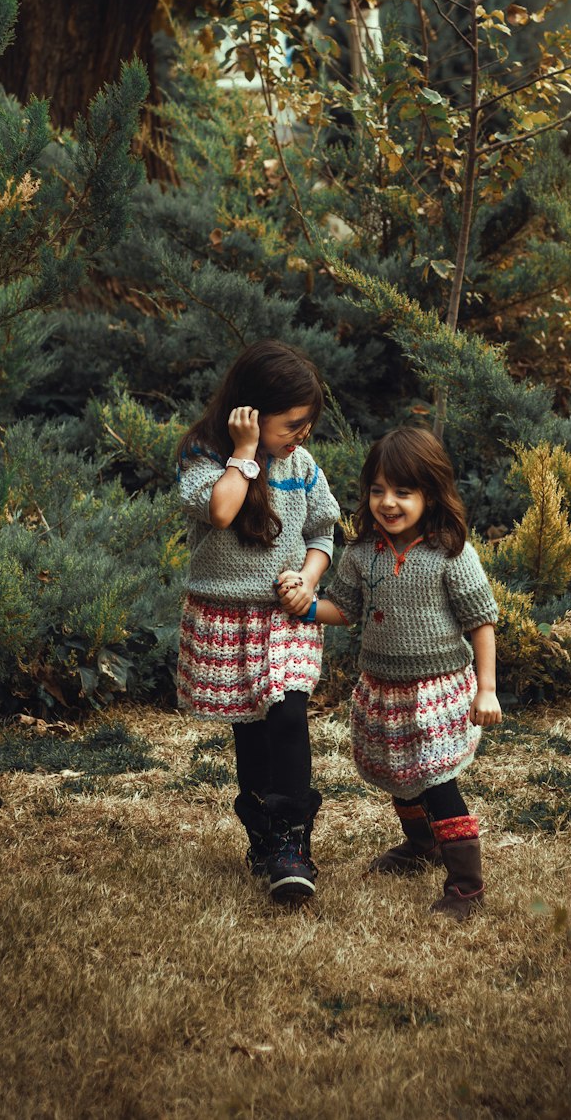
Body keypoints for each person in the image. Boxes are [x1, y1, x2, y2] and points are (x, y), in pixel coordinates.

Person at [175, 339, 340, 904]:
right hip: (227, 614)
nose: (302, 435)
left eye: (308, 423)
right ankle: (264, 835)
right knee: (250, 726)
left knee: (289, 712)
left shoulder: (302, 464)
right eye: (292, 423)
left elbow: (323, 531)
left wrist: (311, 579)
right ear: (249, 411)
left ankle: (294, 843)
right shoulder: (204, 454)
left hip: (284, 614)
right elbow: (222, 510)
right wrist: (244, 453)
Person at [314, 426, 501, 920]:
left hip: (438, 688)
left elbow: (481, 621)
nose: (388, 502)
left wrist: (487, 688)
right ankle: (422, 845)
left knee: (437, 779)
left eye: (403, 491)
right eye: (378, 490)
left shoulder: (450, 553)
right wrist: (307, 607)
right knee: (400, 775)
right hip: (383, 687)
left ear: (431, 494)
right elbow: (343, 608)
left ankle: (466, 884)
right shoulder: (360, 555)